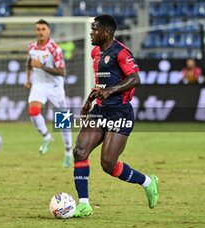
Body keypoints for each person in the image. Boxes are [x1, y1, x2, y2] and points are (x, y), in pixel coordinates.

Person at [72, 15, 159, 217]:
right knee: (80, 151)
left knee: (108, 164)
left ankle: (147, 182)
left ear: (107, 32)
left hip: (120, 111)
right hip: (100, 110)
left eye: (94, 29)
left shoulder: (121, 52)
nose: (91, 33)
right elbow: (101, 84)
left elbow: (135, 78)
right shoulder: (95, 52)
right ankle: (84, 204)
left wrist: (111, 90)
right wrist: (89, 101)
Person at [24, 19, 72, 168]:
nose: (40, 32)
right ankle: (46, 136)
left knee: (62, 121)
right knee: (33, 111)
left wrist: (43, 66)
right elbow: (29, 63)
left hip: (55, 87)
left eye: (43, 29)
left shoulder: (55, 49)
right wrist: (28, 79)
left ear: (48, 31)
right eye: (38, 29)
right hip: (39, 85)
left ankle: (68, 151)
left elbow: (62, 72)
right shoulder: (31, 46)